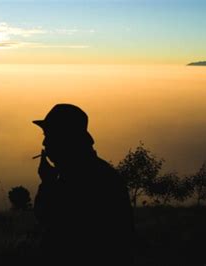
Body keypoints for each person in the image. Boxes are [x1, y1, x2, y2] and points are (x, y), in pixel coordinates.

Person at [33, 103, 135, 265]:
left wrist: (47, 184)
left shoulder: (84, 178)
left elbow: (49, 219)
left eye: (50, 135)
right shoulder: (88, 172)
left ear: (67, 139)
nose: (44, 143)